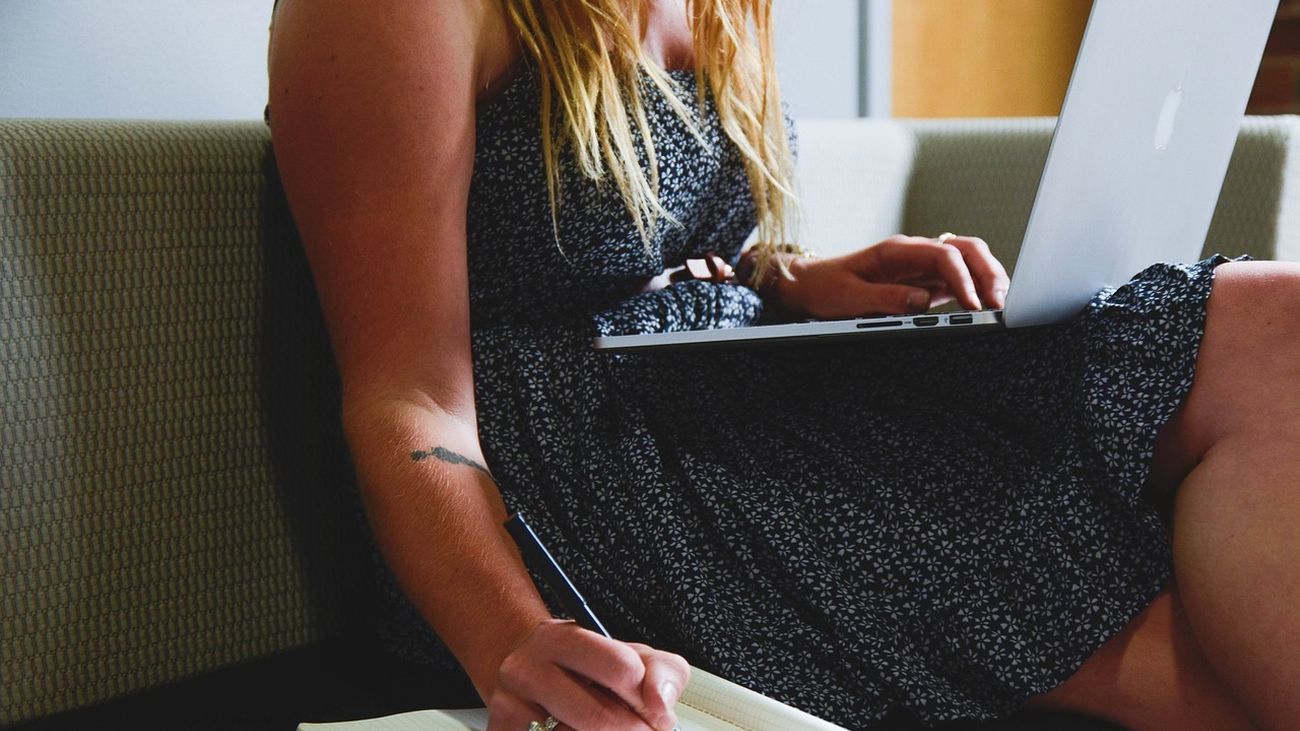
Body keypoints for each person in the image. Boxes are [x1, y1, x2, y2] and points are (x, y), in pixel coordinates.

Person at [265, 1, 1300, 729]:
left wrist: (789, 279)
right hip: (574, 479)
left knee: (1274, 324)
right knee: (1184, 643)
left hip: (715, 386)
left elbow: (642, 240)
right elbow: (409, 396)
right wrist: (511, 638)